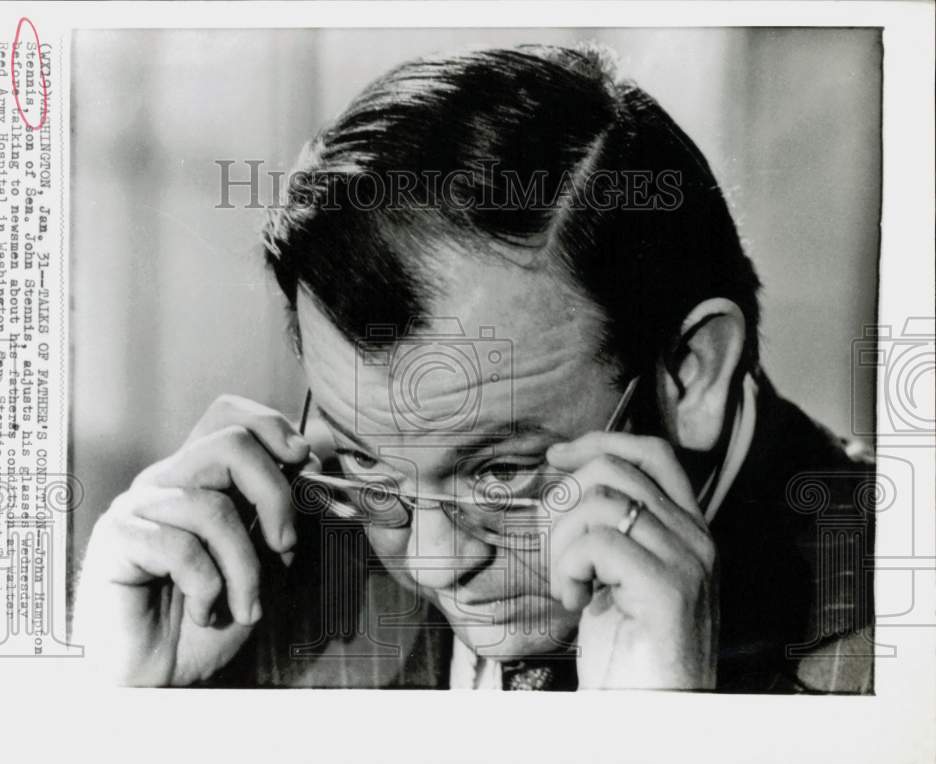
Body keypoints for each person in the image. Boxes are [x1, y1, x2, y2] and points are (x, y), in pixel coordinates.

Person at [73, 43, 875, 692]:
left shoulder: (899, 649)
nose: (432, 561)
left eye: (499, 470)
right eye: (364, 459)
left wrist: (660, 758)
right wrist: (123, 708)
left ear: (690, 373)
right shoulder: (245, 586)